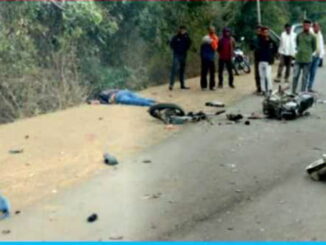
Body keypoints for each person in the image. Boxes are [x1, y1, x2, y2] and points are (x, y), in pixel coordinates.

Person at [292, 20, 316, 94]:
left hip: (307, 60)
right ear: (303, 26)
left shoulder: (313, 36)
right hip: (298, 59)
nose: (306, 26)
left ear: (310, 26)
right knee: (295, 76)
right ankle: (293, 92)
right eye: (305, 25)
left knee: (304, 77)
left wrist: (308, 53)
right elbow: (297, 43)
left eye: (308, 25)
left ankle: (302, 93)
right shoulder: (299, 35)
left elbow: (314, 47)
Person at [169, 26, 191, 91]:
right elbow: (171, 44)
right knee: (174, 69)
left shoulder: (186, 37)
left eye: (184, 30)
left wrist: (185, 49)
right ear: (179, 30)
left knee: (182, 70)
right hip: (176, 55)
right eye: (182, 30)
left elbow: (189, 44)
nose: (183, 31)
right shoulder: (175, 37)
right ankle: (171, 84)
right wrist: (176, 49)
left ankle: (182, 85)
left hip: (183, 55)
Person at [257, 27, 278, 95]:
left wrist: (272, 56)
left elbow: (275, 48)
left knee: (268, 76)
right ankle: (263, 90)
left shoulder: (271, 41)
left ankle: (269, 89)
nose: (266, 33)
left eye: (267, 32)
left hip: (268, 61)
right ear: (262, 32)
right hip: (260, 60)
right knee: (262, 76)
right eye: (264, 32)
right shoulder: (259, 40)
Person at [307, 22, 324, 92]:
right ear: (313, 27)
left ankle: (310, 87)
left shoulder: (320, 34)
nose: (318, 28)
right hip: (311, 56)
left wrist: (321, 55)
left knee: (313, 73)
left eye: (318, 27)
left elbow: (321, 45)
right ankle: (305, 87)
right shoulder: (310, 33)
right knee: (307, 72)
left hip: (317, 56)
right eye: (316, 27)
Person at [200, 26, 219, 90]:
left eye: (213, 29)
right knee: (205, 72)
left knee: (211, 72)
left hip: (210, 57)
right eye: (212, 29)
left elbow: (215, 48)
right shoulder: (206, 38)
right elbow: (202, 48)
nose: (213, 30)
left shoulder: (215, 38)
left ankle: (210, 86)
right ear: (209, 30)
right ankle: (205, 86)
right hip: (206, 57)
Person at [88, 89, 156, 107]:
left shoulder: (101, 96)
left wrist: (111, 100)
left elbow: (111, 100)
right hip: (124, 91)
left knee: (135, 101)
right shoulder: (104, 91)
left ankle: (151, 105)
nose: (94, 104)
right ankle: (153, 101)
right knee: (139, 99)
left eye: (92, 102)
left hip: (119, 96)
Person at [250, 25, 262, 94]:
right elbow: (251, 48)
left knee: (262, 74)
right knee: (257, 74)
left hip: (263, 58)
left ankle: (263, 88)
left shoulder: (263, 38)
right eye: (257, 30)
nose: (258, 32)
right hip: (257, 58)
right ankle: (258, 88)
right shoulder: (254, 38)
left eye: (259, 30)